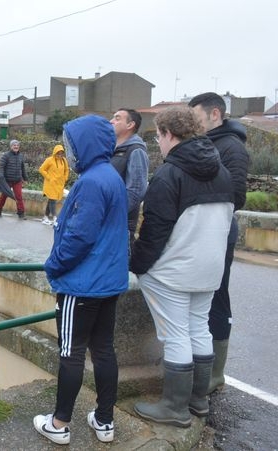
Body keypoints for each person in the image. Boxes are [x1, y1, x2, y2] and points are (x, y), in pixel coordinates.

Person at [130, 106, 233, 427]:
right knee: (198, 328)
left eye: (158, 137)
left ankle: (174, 408)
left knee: (176, 335)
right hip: (210, 269)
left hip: (173, 272)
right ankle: (198, 400)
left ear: (169, 134)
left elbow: (154, 232)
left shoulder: (169, 174)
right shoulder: (223, 172)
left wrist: (138, 266)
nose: (158, 144)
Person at [34, 115, 129, 445]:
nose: (70, 152)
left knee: (70, 352)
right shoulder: (110, 176)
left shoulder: (90, 182)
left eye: (72, 144)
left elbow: (79, 237)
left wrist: (54, 266)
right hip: (107, 281)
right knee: (103, 350)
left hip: (83, 284)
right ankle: (105, 421)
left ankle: (59, 424)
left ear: (84, 145)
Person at [188, 92, 250, 395]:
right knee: (203, 296)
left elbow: (237, 194)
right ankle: (200, 367)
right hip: (204, 229)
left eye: (196, 116)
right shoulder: (210, 143)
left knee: (216, 296)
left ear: (215, 114)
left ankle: (214, 374)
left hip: (219, 230)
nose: (193, 123)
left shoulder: (231, 146)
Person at [109, 108, 149, 252]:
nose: (111, 121)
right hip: (108, 225)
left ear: (130, 125)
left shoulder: (135, 150)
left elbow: (136, 191)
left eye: (117, 118)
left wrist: (111, 213)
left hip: (120, 227)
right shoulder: (112, 150)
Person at [38, 144, 70, 225]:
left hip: (59, 185)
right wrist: (49, 178)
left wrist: (65, 178)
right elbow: (41, 169)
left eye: (61, 153)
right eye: (58, 153)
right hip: (50, 184)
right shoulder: (49, 160)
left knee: (51, 200)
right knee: (52, 200)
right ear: (55, 152)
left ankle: (45, 217)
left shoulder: (64, 161)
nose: (60, 155)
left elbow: (66, 170)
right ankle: (55, 218)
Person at [0, 139, 27, 219]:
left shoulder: (20, 156)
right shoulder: (6, 155)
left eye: (17, 145)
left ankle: (21, 213)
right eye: (14, 145)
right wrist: (1, 176)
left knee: (19, 196)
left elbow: (23, 168)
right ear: (11, 146)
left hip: (17, 180)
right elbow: (1, 166)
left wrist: (25, 178)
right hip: (7, 180)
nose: (16, 146)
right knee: (4, 196)